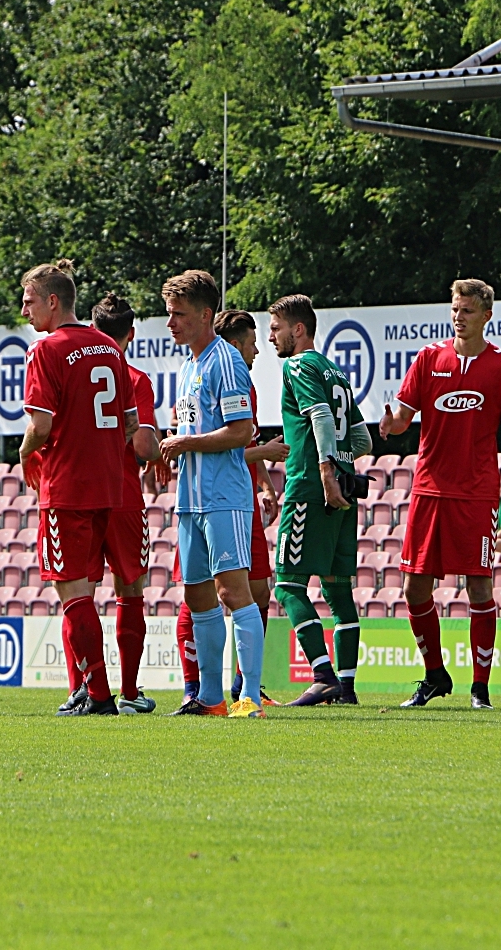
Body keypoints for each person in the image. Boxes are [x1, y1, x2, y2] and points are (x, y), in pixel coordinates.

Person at [379, 278, 501, 711]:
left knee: (479, 588)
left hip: (477, 493)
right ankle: (434, 675)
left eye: (466, 310)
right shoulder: (429, 359)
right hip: (429, 488)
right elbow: (405, 417)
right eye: (454, 309)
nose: (458, 316)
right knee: (413, 590)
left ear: (486, 315)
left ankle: (480, 687)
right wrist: (392, 424)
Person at [18, 261, 138, 718]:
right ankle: (90, 691)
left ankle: (100, 696)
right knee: (86, 591)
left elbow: (41, 424)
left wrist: (25, 453)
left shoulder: (45, 350)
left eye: (29, 300)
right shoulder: (109, 346)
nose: (24, 310)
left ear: (52, 301)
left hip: (66, 488)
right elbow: (129, 421)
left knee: (73, 596)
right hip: (109, 487)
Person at [157, 270, 264, 718]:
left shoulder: (226, 361)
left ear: (205, 315)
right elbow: (194, 426)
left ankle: (251, 698)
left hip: (224, 496)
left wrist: (186, 442)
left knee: (233, 593)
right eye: (168, 314)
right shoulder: (188, 367)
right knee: (198, 596)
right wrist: (176, 436)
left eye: (178, 315)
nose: (170, 324)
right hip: (191, 499)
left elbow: (241, 431)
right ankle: (211, 698)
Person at [265, 295, 372, 706]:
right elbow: (362, 437)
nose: (271, 336)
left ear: (298, 329)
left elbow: (321, 417)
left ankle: (323, 675)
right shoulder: (336, 371)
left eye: (276, 328)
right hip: (345, 489)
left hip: (312, 486)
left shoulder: (298, 364)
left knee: (289, 585)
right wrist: (342, 462)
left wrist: (325, 470)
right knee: (338, 592)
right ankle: (345, 689)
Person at [83, 291, 163, 714]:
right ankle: (130, 693)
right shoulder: (135, 379)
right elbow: (146, 446)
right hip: (124, 495)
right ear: (131, 334)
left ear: (94, 332)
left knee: (78, 592)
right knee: (129, 591)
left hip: (82, 494)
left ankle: (85, 690)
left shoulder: (76, 371)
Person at [212, 309, 289, 706]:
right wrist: (268, 452)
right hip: (218, 503)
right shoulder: (216, 377)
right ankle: (202, 690)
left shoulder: (248, 385)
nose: (258, 350)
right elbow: (223, 449)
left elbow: (244, 444)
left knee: (260, 593)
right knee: (208, 598)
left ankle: (247, 685)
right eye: (252, 342)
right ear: (236, 343)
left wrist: (263, 484)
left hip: (243, 501)